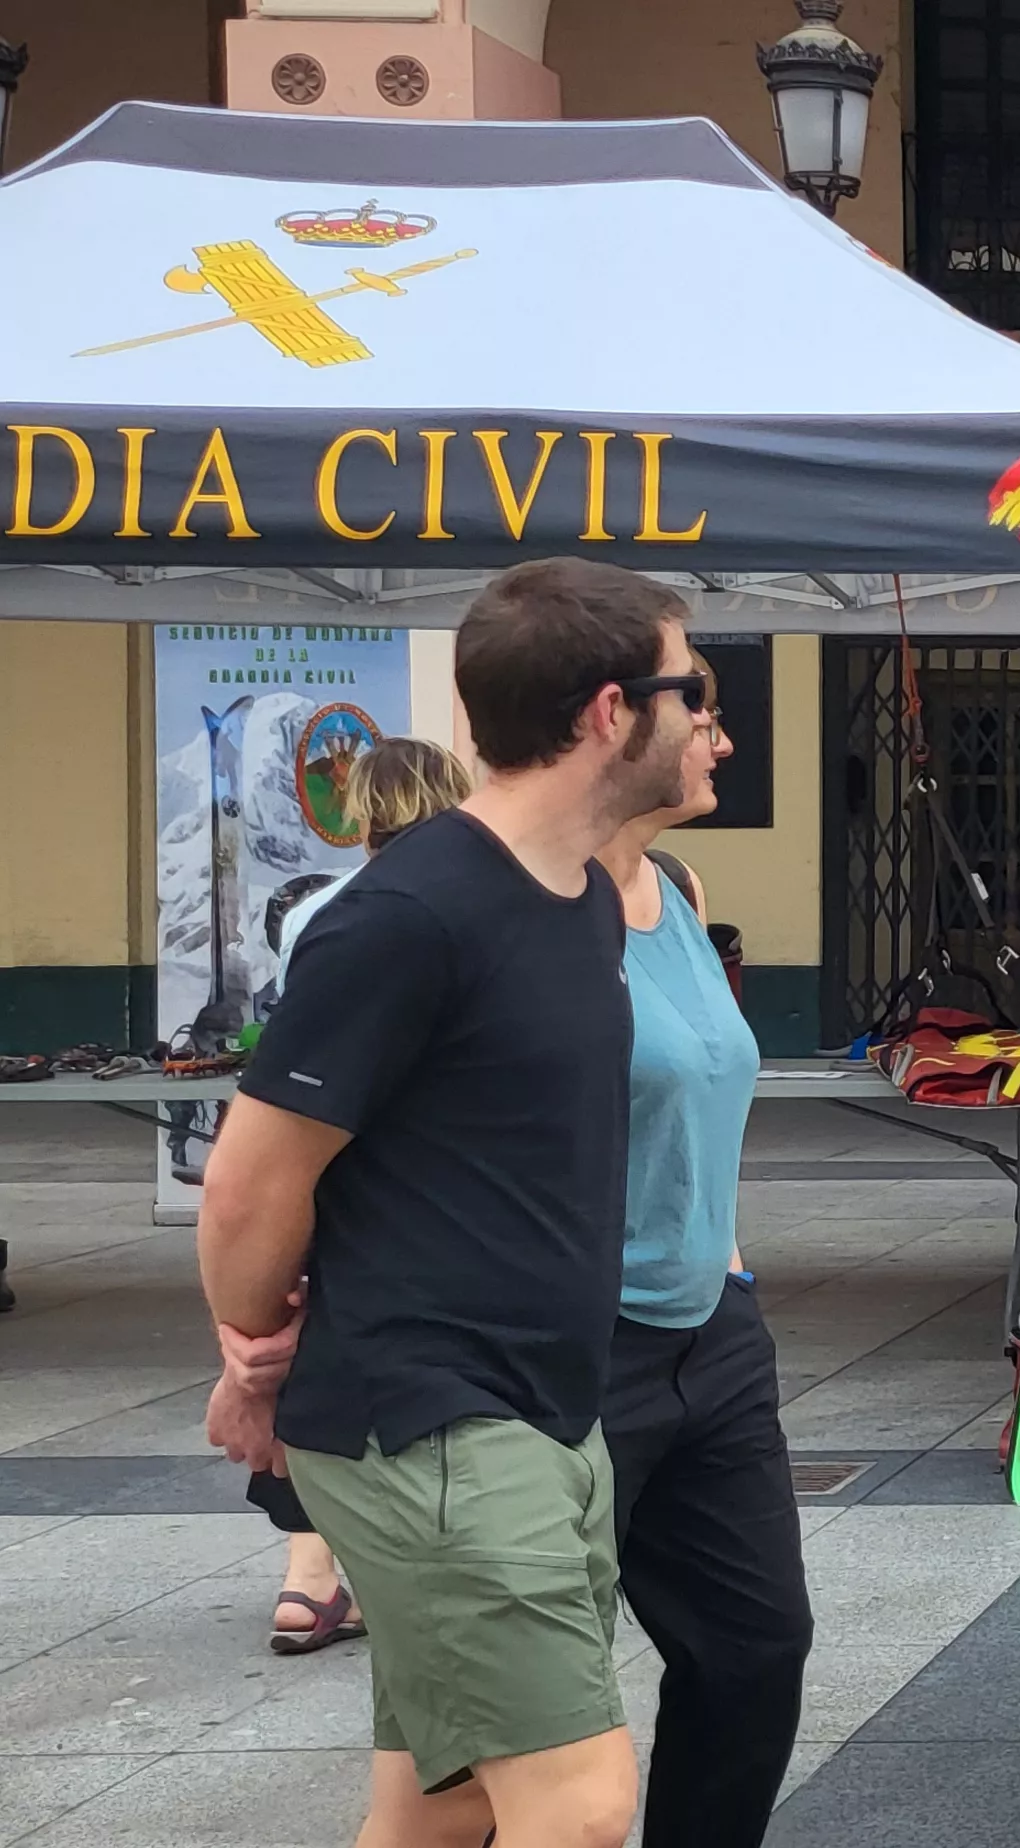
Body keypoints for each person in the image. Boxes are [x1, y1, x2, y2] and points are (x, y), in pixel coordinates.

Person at [196, 556, 696, 1848]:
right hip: (435, 1426)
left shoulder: (580, 898)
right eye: (689, 688)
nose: (706, 715)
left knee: (442, 1803)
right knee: (577, 1809)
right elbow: (253, 1181)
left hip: (539, 1413)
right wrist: (258, 1355)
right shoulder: (410, 914)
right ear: (608, 711)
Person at [593, 648, 815, 1848]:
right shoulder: (515, 904)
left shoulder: (671, 885)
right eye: (703, 711)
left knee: (753, 1649)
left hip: (710, 1334)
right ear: (611, 717)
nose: (723, 741)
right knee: (516, 1726)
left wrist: (721, 1258)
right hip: (571, 1349)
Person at [251, 735, 474, 1659]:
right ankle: (393, 1570)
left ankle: (310, 1574)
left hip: (329, 1163)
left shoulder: (319, 913)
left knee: (316, 1357)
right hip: (418, 1180)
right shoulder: (460, 908)